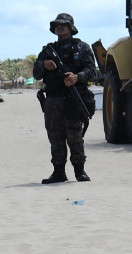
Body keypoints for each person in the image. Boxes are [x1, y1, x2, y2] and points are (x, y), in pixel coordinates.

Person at [33, 13, 97, 183]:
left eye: (63, 25)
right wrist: (44, 65)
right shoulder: (47, 50)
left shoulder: (82, 47)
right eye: (57, 25)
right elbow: (36, 73)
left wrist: (77, 77)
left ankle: (79, 171)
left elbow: (92, 70)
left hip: (73, 99)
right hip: (53, 99)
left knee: (75, 136)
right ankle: (58, 172)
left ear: (71, 28)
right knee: (55, 137)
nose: (59, 27)